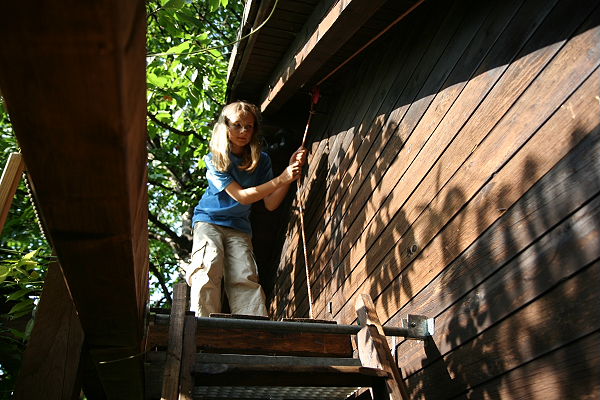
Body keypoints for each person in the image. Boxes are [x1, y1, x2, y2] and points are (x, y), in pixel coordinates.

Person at [186, 101, 307, 317]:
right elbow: (242, 197)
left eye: (249, 126)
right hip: (209, 222)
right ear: (225, 127)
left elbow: (270, 203)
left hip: (239, 227)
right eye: (237, 125)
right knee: (208, 266)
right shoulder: (215, 159)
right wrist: (282, 178)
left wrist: (289, 174)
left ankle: (253, 325)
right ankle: (201, 324)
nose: (243, 131)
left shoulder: (261, 161)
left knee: (245, 275)